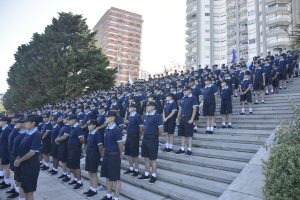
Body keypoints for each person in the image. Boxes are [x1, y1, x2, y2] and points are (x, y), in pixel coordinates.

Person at [14, 114, 42, 200]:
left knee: (29, 191)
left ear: (33, 123)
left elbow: (32, 152)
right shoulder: (28, 132)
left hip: (31, 165)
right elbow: (23, 148)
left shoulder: (36, 134)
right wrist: (18, 157)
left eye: (26, 122)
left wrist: (19, 160)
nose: (24, 124)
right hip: (25, 164)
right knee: (24, 187)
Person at [100, 111, 123, 200]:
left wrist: (120, 155)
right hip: (107, 155)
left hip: (114, 155)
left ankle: (116, 198)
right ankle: (108, 195)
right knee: (108, 176)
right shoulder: (107, 128)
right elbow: (106, 143)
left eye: (107, 117)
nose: (106, 118)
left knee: (116, 178)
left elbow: (120, 144)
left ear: (113, 118)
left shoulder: (116, 129)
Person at [138, 102, 163, 183]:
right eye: (146, 106)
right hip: (145, 139)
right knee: (146, 158)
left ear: (153, 107)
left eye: (148, 106)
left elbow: (161, 130)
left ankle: (154, 175)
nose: (146, 108)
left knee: (153, 159)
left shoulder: (157, 116)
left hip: (153, 140)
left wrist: (155, 136)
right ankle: (146, 174)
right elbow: (144, 127)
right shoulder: (146, 115)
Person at [6, 118, 27, 199]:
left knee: (19, 176)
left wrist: (19, 158)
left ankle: (18, 192)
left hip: (19, 157)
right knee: (16, 175)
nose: (15, 124)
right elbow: (11, 139)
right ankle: (16, 189)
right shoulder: (17, 131)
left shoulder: (25, 133)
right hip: (13, 155)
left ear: (23, 124)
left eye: (17, 123)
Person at [176, 86, 198, 155]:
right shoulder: (183, 98)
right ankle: (182, 148)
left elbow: (195, 109)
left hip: (188, 118)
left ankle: (189, 149)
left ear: (189, 91)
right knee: (182, 134)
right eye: (183, 91)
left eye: (185, 90)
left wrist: (192, 119)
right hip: (182, 118)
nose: (184, 92)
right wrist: (177, 117)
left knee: (189, 135)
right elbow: (180, 109)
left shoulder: (193, 97)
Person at [83, 120, 102, 197]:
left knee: (93, 173)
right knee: (89, 172)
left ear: (94, 126)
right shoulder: (90, 133)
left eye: (90, 125)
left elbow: (100, 146)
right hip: (89, 154)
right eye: (88, 125)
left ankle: (95, 190)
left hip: (94, 155)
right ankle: (91, 188)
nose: (88, 126)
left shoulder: (97, 134)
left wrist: (101, 157)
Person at [123, 103, 143, 177]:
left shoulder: (137, 115)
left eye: (131, 107)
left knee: (135, 154)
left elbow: (141, 127)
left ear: (134, 108)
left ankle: (136, 170)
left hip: (135, 137)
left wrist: (139, 135)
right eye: (129, 107)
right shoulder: (129, 116)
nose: (129, 108)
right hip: (129, 136)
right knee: (128, 153)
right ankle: (131, 168)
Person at [66, 114, 85, 189]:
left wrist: (78, 146)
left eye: (69, 120)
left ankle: (79, 182)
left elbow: (82, 139)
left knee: (76, 166)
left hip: (75, 150)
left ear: (74, 120)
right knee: (72, 166)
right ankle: (76, 179)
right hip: (71, 150)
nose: (68, 121)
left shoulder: (78, 128)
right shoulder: (72, 128)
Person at [56, 115, 72, 182]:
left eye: (65, 119)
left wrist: (57, 140)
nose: (63, 120)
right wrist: (57, 139)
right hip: (61, 145)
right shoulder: (63, 126)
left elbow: (65, 136)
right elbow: (60, 135)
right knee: (63, 161)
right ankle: (64, 173)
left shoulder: (68, 127)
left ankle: (68, 175)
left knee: (66, 161)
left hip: (66, 146)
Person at [0, 116, 13, 189]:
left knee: (6, 166)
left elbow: (9, 141)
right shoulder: (3, 128)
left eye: (1, 121)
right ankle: (5, 180)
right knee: (3, 166)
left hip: (6, 151)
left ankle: (7, 182)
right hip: (2, 149)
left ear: (5, 122)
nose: (0, 122)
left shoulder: (8, 129)